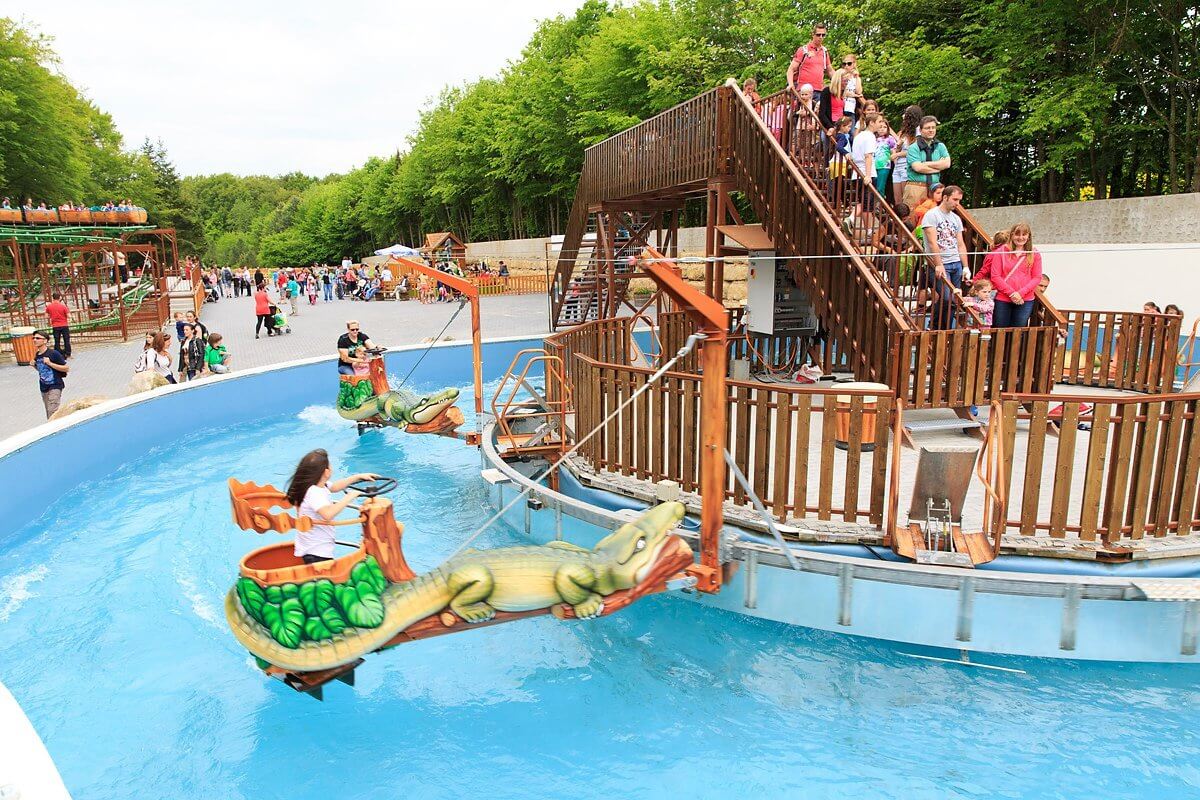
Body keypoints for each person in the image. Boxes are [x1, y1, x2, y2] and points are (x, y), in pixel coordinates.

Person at [285, 449, 376, 563]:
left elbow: (335, 487)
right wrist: (350, 497)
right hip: (316, 550)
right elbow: (328, 514)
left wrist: (358, 477)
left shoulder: (319, 485)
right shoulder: (314, 492)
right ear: (326, 472)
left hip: (315, 547)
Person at [921, 185, 968, 329]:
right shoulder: (931, 215)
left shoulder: (956, 219)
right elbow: (932, 242)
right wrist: (939, 264)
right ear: (945, 197)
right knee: (947, 297)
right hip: (939, 263)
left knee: (954, 299)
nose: (957, 203)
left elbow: (960, 244)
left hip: (956, 263)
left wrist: (965, 266)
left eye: (959, 200)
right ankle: (934, 326)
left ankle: (945, 328)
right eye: (955, 199)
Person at [990, 222, 1043, 328]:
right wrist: (1012, 293)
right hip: (1003, 298)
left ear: (1028, 236)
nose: (1021, 237)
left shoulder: (1034, 253)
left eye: (1024, 234)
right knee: (1000, 330)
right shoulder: (1001, 252)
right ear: (1012, 235)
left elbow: (1037, 277)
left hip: (1025, 299)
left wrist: (1020, 293)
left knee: (1018, 332)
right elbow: (995, 276)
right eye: (1017, 234)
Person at [849, 113, 883, 239]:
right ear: (871, 123)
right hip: (866, 173)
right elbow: (868, 156)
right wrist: (868, 175)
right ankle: (853, 219)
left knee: (864, 204)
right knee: (867, 205)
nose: (881, 125)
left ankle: (868, 230)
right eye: (879, 122)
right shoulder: (869, 137)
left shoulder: (859, 136)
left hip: (856, 173)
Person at [905, 116, 951, 209]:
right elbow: (918, 168)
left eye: (933, 128)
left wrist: (925, 163)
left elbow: (947, 164)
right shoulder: (913, 147)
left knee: (934, 220)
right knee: (913, 218)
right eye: (927, 128)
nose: (931, 130)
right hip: (916, 186)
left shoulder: (940, 146)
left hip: (935, 188)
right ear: (921, 130)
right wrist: (938, 167)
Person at [787, 23, 834, 93]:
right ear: (813, 34)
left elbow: (830, 71)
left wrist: (839, 83)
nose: (821, 37)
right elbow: (791, 69)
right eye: (818, 35)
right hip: (803, 90)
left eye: (823, 35)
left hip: (818, 90)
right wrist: (791, 84)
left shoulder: (824, 52)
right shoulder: (803, 50)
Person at [31, 330, 68, 418]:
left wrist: (50, 363)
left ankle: (55, 428)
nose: (35, 340)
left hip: (55, 385)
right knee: (49, 411)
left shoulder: (53, 353)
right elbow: (42, 370)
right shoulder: (37, 354)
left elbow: (66, 368)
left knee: (53, 411)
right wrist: (34, 366)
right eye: (34, 338)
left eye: (38, 338)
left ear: (45, 341)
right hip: (44, 386)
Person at [45, 292, 71, 358]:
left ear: (53, 298)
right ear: (59, 298)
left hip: (55, 325)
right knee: (66, 340)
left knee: (57, 340)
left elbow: (46, 316)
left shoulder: (49, 306)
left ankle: (57, 353)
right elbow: (69, 316)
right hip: (64, 325)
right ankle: (68, 353)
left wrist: (52, 316)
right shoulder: (63, 306)